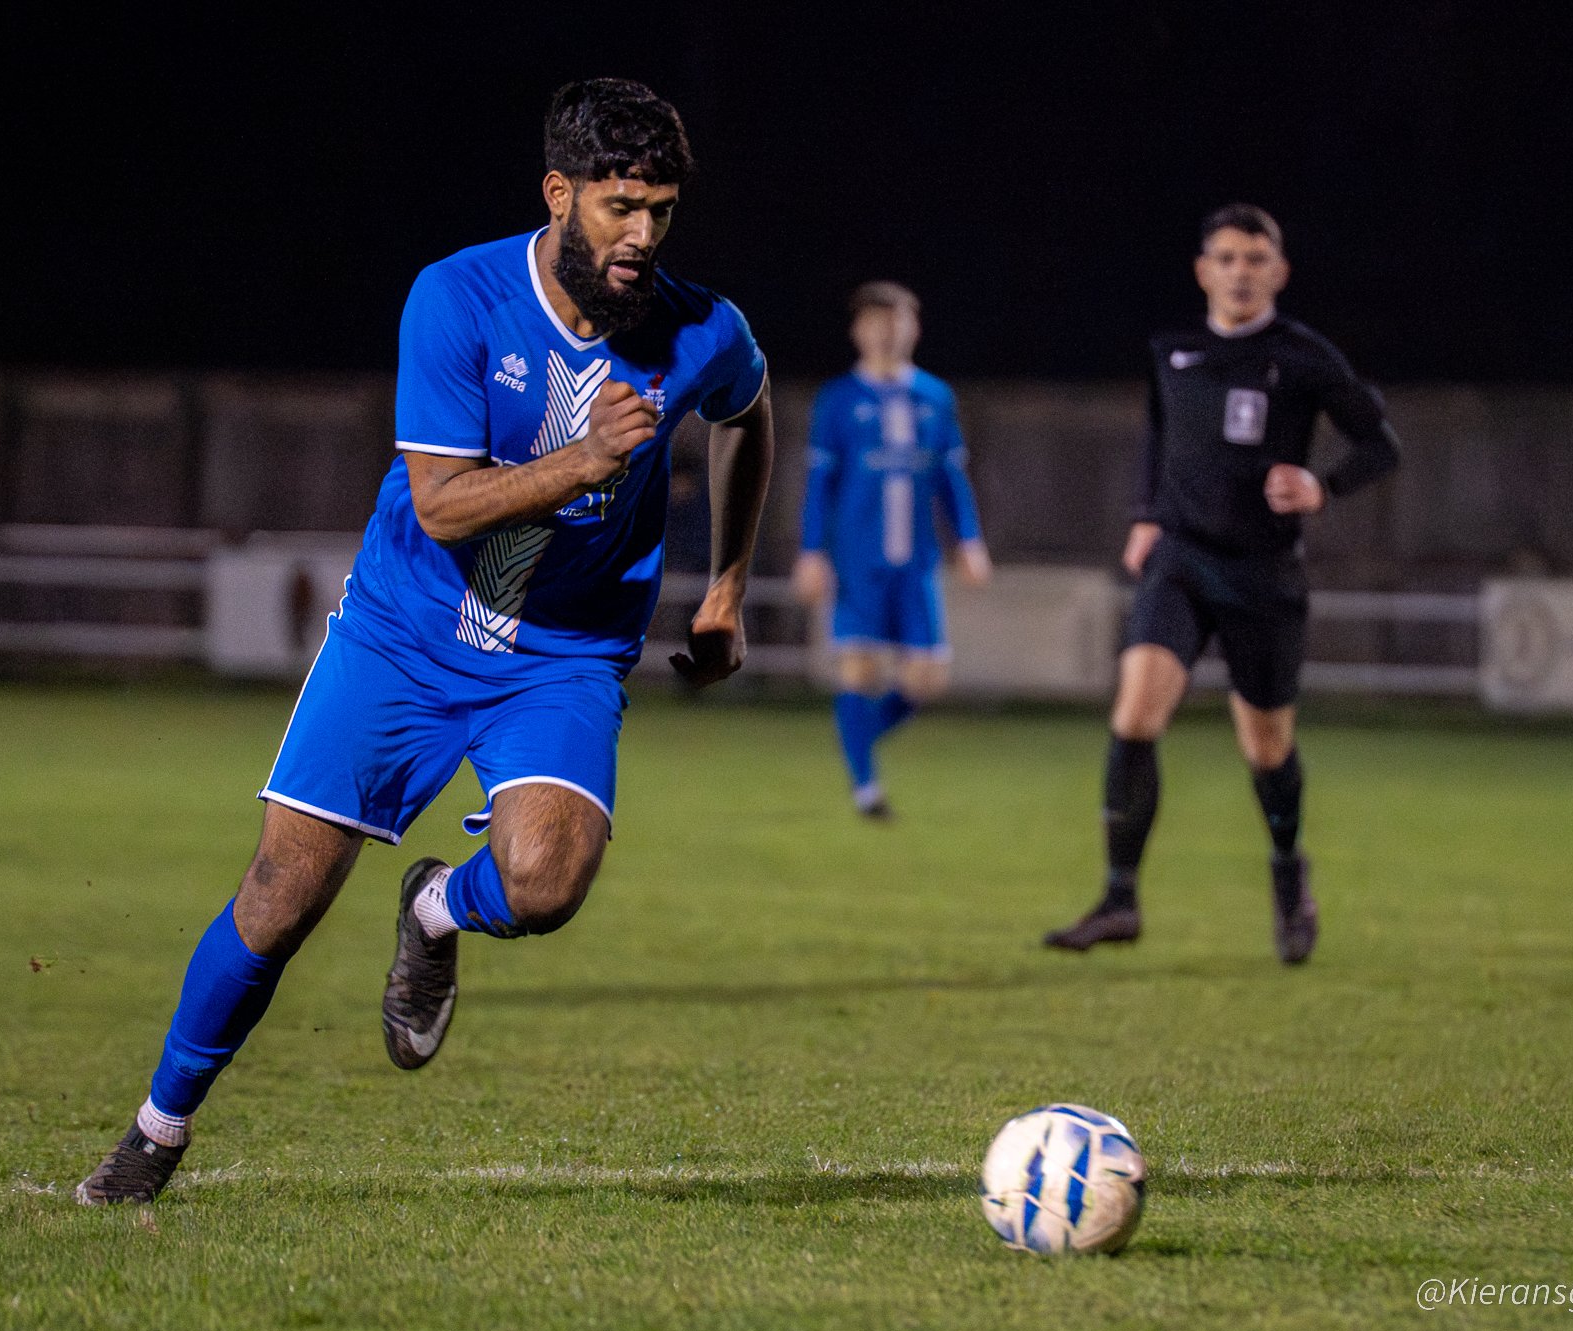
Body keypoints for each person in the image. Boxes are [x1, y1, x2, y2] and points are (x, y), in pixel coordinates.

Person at [76, 78, 774, 1203]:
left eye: (660, 209)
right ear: (558, 195)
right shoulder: (455, 299)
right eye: (617, 206)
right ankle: (157, 1129)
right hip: (408, 627)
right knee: (279, 895)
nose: (641, 235)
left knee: (545, 883)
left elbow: (749, 409)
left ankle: (435, 906)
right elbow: (444, 504)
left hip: (561, 649)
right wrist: (584, 462)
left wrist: (726, 586)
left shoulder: (703, 329)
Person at [1043, 204, 1400, 963]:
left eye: (1256, 258)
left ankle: (1287, 879)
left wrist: (1321, 485)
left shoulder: (1303, 356)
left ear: (1279, 271)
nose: (1241, 271)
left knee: (1267, 749)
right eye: (1227, 258)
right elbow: (1158, 437)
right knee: (1135, 712)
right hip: (1180, 556)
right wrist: (1145, 516)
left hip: (1264, 572)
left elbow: (1380, 442)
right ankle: (1118, 897)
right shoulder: (1172, 351)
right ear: (1204, 270)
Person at [791, 282, 991, 819]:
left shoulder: (935, 397)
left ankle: (856, 742)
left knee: (926, 681)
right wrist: (812, 551)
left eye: (897, 319)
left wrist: (969, 541)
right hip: (858, 559)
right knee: (858, 670)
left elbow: (951, 478)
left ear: (913, 328)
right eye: (875, 320)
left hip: (917, 560)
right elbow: (819, 485)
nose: (886, 330)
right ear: (858, 330)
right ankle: (866, 788)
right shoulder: (838, 399)